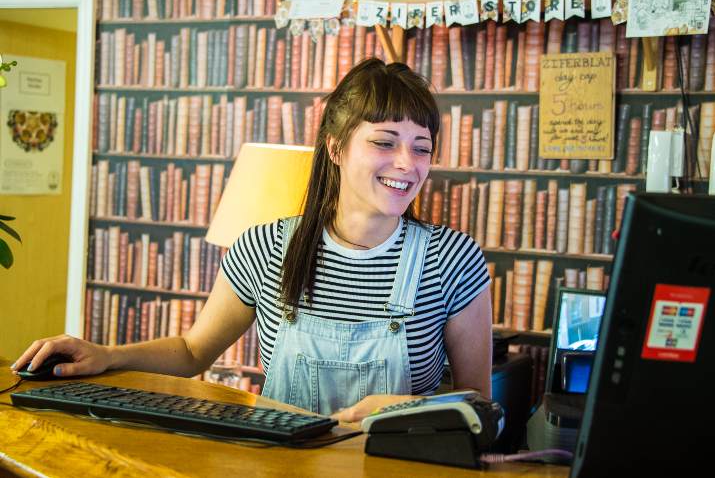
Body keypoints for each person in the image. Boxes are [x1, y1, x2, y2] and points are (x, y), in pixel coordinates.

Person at [13, 58, 493, 422]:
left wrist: (405, 407)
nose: (407, 164)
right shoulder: (264, 248)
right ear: (335, 147)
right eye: (385, 142)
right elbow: (191, 352)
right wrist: (106, 355)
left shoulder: (452, 259)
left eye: (422, 148)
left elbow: (478, 403)